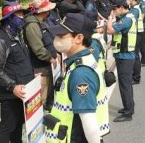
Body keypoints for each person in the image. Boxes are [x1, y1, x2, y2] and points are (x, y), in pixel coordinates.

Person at [45, 13, 109, 143]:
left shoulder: (81, 74)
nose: (56, 38)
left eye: (62, 35)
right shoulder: (82, 60)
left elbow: (89, 123)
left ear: (79, 38)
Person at [0, 1, 35, 143]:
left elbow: (21, 62)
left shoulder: (17, 35)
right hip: (11, 94)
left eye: (23, 14)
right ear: (9, 18)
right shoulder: (0, 41)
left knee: (17, 125)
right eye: (19, 14)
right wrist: (12, 86)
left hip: (23, 92)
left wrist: (33, 76)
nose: (22, 17)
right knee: (7, 127)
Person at [24, 0, 59, 112]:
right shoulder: (32, 25)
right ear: (43, 11)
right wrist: (50, 58)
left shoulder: (41, 22)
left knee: (47, 95)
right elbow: (38, 48)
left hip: (46, 66)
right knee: (40, 99)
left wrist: (55, 53)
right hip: (40, 68)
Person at [106, 0, 137, 122]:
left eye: (114, 9)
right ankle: (129, 107)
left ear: (121, 7)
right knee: (127, 84)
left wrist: (109, 18)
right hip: (124, 55)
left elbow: (109, 30)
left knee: (125, 85)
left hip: (125, 56)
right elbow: (120, 36)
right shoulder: (127, 17)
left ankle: (128, 112)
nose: (114, 11)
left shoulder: (125, 20)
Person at [128, 0, 145, 84]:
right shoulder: (135, 8)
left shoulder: (134, 10)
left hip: (136, 34)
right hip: (137, 33)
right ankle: (135, 76)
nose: (128, 0)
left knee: (135, 56)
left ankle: (136, 77)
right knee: (135, 55)